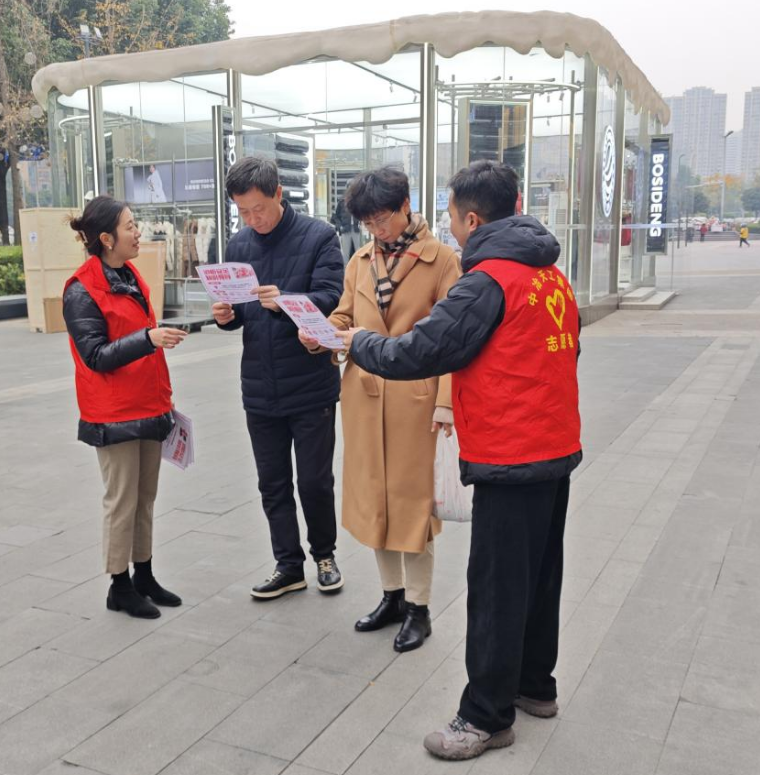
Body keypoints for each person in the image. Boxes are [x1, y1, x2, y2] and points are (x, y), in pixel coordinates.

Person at [335, 161, 581, 762]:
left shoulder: (486, 280)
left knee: (496, 588)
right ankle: (535, 685)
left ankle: (485, 716)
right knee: (539, 576)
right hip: (554, 446)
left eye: (452, 216)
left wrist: (360, 343)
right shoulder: (550, 275)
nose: (449, 226)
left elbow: (422, 350)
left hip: (509, 453)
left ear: (472, 219)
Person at [300, 167, 461, 652]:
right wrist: (320, 333)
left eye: (382, 219)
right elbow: (345, 315)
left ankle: (419, 607)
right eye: (367, 223)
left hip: (416, 401)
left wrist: (447, 403)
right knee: (375, 501)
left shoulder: (442, 260)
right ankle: (391, 596)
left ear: (405, 205)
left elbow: (454, 339)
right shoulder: (361, 260)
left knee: (414, 507)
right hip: (365, 399)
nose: (376, 229)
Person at [211, 157, 346, 600]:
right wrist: (226, 316)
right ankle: (288, 565)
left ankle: (324, 555)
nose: (253, 220)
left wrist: (285, 300)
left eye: (259, 209)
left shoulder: (319, 236)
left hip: (310, 384)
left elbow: (331, 297)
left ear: (279, 195)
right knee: (271, 482)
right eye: (243, 212)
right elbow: (239, 315)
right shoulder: (239, 244)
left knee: (314, 481)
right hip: (259, 385)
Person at [63, 196, 189, 619]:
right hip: (113, 412)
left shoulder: (129, 275)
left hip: (149, 403)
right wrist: (148, 339)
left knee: (145, 498)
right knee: (121, 501)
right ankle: (119, 585)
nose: (138, 232)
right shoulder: (81, 290)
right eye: (131, 226)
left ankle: (144, 574)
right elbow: (95, 356)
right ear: (106, 238)